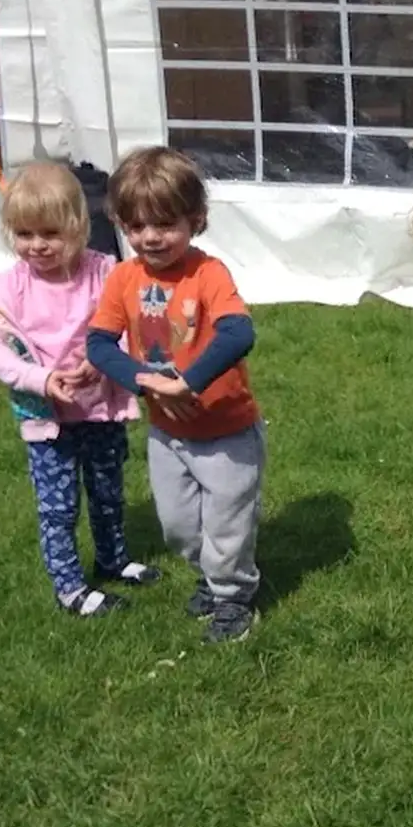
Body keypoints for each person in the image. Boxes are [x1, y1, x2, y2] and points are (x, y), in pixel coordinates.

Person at [85, 147, 265, 643]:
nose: (150, 237)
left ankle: (233, 598)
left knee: (227, 526)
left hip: (226, 429)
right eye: (136, 226)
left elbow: (237, 334)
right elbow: (98, 344)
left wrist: (189, 382)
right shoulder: (124, 277)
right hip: (167, 432)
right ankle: (214, 575)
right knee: (180, 528)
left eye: (164, 223)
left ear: (195, 220)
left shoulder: (208, 274)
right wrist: (144, 380)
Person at [0, 162, 160, 616]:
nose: (37, 246)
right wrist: (40, 379)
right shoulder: (10, 288)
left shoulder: (104, 273)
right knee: (58, 507)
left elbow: (127, 326)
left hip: (99, 409)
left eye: (49, 234)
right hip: (47, 419)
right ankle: (69, 586)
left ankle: (113, 558)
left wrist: (100, 364)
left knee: (107, 491)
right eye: (24, 234)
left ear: (78, 225)